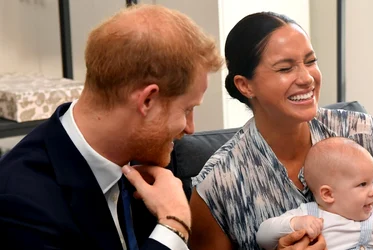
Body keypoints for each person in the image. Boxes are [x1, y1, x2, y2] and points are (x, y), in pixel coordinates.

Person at [189, 11, 373, 250]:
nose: (307, 78)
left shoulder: (364, 135)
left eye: (310, 61)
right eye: (285, 68)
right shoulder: (218, 186)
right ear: (245, 85)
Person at [0, 4, 222, 250]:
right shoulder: (21, 206)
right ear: (147, 100)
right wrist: (173, 227)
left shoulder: (149, 157)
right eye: (188, 109)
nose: (190, 128)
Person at [256, 137, 373, 250]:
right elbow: (262, 236)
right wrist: (295, 224)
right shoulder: (308, 215)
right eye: (362, 184)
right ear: (328, 194)